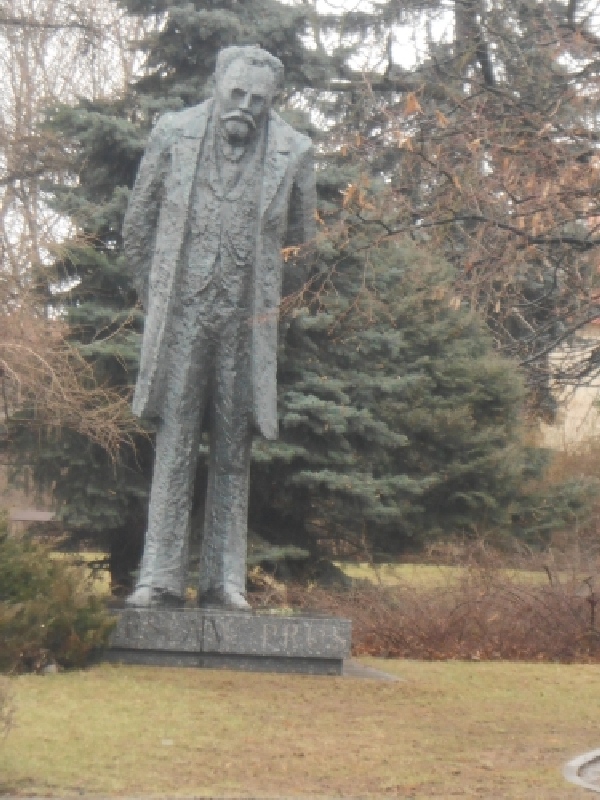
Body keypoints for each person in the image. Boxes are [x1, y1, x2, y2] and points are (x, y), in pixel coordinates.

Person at [122, 45, 316, 609]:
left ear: (272, 100)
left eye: (259, 99)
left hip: (245, 323)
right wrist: (161, 297)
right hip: (183, 314)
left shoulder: (295, 150)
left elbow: (303, 248)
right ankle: (159, 576)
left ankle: (224, 580)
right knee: (175, 439)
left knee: (234, 448)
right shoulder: (172, 133)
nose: (246, 106)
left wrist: (268, 311)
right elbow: (138, 227)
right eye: (237, 93)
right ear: (217, 82)